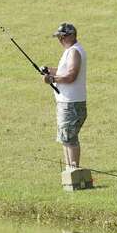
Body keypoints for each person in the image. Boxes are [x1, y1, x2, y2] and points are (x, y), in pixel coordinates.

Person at [42, 22, 87, 169]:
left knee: (69, 138)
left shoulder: (74, 51)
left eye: (61, 37)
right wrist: (50, 70)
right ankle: (70, 169)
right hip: (67, 102)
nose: (60, 40)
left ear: (70, 36)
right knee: (65, 138)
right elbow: (64, 71)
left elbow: (71, 76)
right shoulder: (70, 51)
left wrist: (52, 79)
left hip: (71, 103)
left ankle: (73, 170)